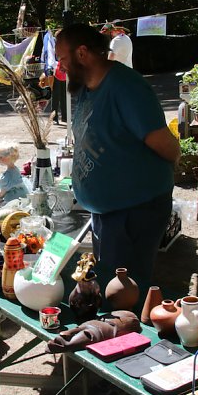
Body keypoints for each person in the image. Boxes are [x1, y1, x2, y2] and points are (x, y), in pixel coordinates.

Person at [55, 22, 178, 302]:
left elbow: (167, 147)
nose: (60, 68)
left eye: (62, 59)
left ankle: (130, 340)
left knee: (126, 295)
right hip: (107, 212)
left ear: (83, 53)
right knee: (109, 285)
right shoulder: (87, 88)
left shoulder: (127, 87)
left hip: (135, 211)